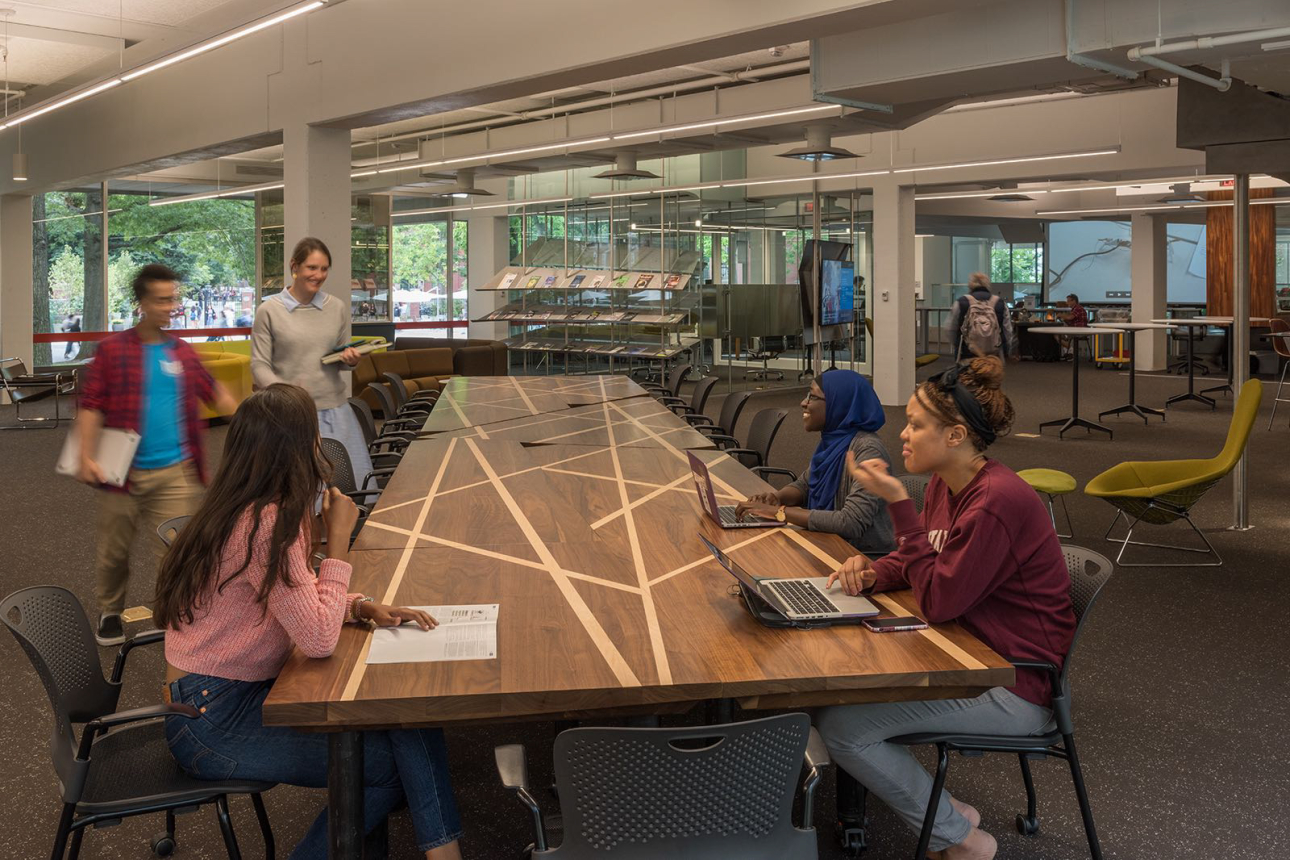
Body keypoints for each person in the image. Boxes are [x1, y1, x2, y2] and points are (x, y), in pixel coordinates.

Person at [154, 384, 463, 860]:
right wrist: (339, 542)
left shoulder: (254, 506)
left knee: (401, 714)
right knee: (381, 767)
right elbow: (317, 639)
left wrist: (358, 607)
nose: (320, 444)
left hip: (233, 691)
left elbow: (294, 599)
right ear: (296, 448)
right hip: (208, 719)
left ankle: (444, 852)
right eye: (314, 435)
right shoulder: (263, 526)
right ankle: (440, 851)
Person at [815, 357, 1075, 860]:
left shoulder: (994, 502)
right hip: (968, 655)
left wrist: (897, 504)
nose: (903, 434)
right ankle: (948, 811)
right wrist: (875, 572)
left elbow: (936, 600)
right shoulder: (946, 483)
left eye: (915, 424)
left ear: (955, 436)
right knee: (843, 706)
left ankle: (962, 841)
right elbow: (926, 557)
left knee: (844, 730)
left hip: (1014, 683)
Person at [78, 263, 237, 646]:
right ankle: (110, 610)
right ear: (142, 304)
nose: (171, 307)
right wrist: (85, 456)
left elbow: (217, 395)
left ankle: (171, 612)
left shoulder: (181, 352)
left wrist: (261, 417)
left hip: (177, 470)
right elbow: (91, 405)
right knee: (114, 553)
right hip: (123, 472)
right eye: (162, 300)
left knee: (176, 551)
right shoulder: (113, 351)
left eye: (174, 299)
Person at [251, 237, 373, 489]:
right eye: (311, 268)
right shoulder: (269, 310)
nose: (318, 275)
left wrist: (350, 361)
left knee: (344, 488)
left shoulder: (337, 308)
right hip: (290, 415)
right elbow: (259, 366)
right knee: (297, 490)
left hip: (335, 411)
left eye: (324, 268)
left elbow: (338, 360)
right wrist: (289, 395)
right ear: (294, 266)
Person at [735, 370, 895, 556]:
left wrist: (778, 512)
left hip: (862, 559)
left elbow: (850, 522)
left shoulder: (868, 451)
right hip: (827, 543)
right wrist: (777, 497)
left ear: (838, 404)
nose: (804, 402)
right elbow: (805, 485)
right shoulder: (833, 441)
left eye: (812, 397)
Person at [947, 272, 1015, 362]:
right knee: (992, 375)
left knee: (968, 375)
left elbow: (951, 328)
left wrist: (956, 344)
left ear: (970, 285)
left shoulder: (961, 302)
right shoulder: (999, 302)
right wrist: (1007, 348)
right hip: (994, 354)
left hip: (967, 353)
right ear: (987, 285)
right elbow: (1007, 330)